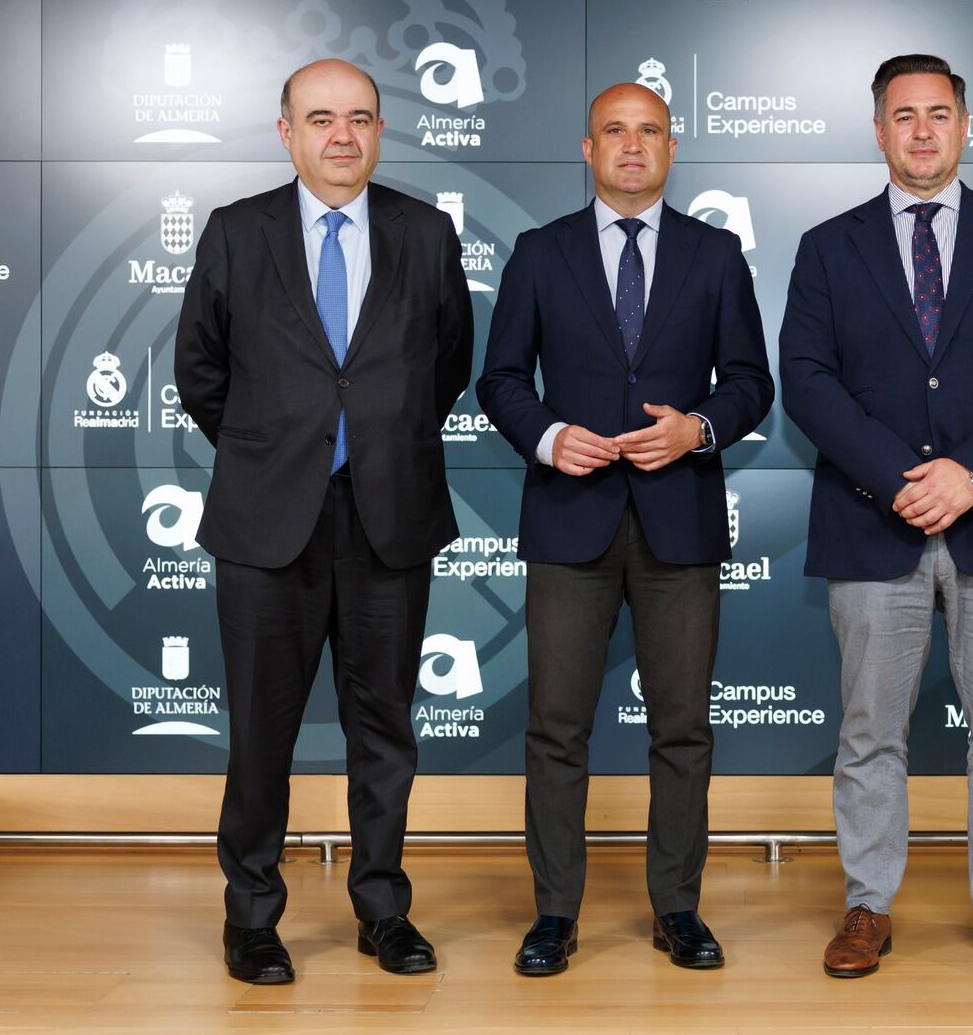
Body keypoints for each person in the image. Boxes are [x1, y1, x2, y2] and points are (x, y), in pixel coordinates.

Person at [779, 54, 973, 982]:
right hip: (874, 522)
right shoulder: (828, 245)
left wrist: (971, 472)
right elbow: (807, 381)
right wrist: (901, 479)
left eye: (938, 114)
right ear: (879, 130)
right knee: (871, 730)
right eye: (903, 115)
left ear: (965, 125)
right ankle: (867, 904)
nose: (921, 131)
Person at [174, 58, 473, 985]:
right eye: (320, 118)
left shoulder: (426, 232)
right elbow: (200, 372)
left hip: (390, 516)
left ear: (379, 130)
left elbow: (448, 364)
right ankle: (252, 917)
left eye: (360, 118)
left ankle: (383, 910)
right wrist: (280, 452)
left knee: (385, 733)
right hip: (268, 522)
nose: (342, 135)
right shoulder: (237, 231)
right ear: (287, 132)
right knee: (262, 733)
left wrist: (375, 442)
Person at [476, 82, 773, 976]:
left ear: (672, 148)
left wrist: (698, 428)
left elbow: (752, 382)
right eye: (615, 130)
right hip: (570, 520)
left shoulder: (716, 254)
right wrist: (549, 436)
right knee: (556, 727)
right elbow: (500, 379)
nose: (633, 145)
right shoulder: (540, 252)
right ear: (588, 148)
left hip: (680, 520)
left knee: (682, 728)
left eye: (650, 131)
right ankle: (554, 913)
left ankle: (677, 906)